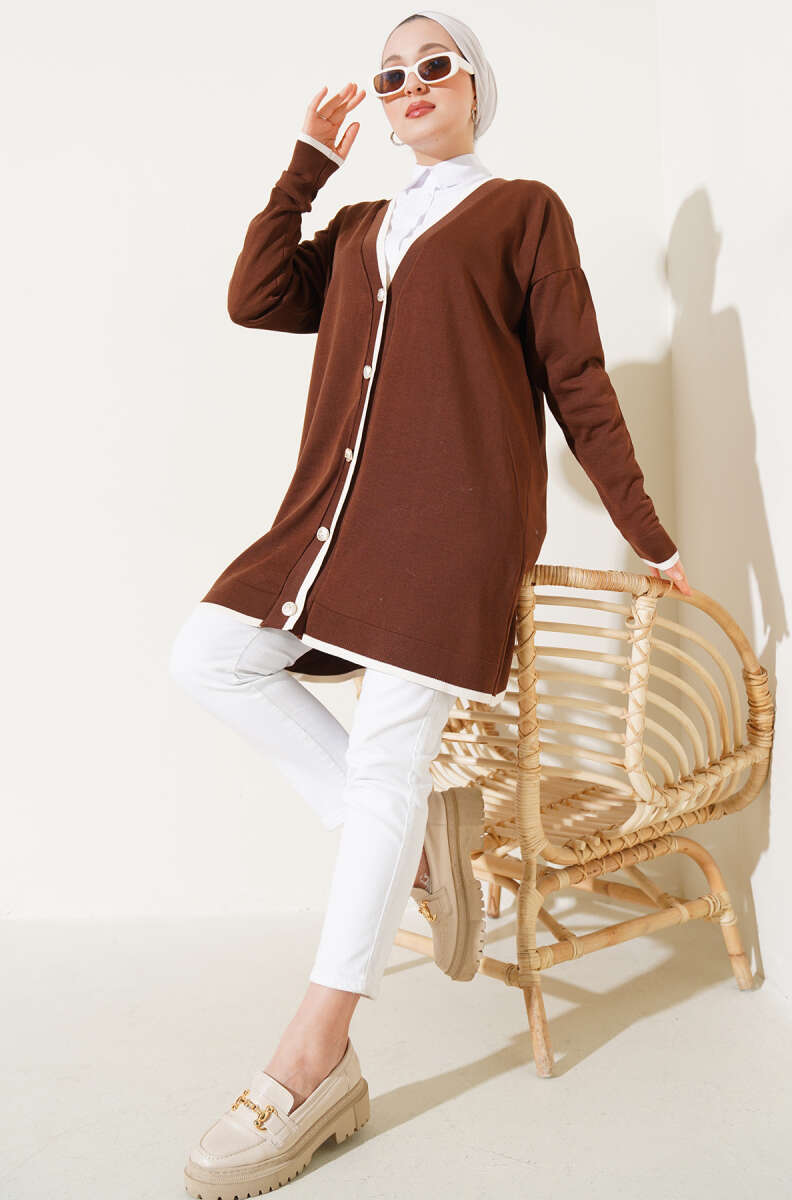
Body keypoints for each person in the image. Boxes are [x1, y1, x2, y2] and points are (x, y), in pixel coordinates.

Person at [173, 11, 692, 1197]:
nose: (409, 83)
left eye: (433, 66)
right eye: (390, 74)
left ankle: (312, 1058)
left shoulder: (522, 212)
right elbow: (256, 296)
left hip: (452, 529)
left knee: (384, 765)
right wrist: (308, 166)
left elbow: (577, 381)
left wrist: (645, 530)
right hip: (332, 523)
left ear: (472, 87)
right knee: (208, 657)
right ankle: (411, 846)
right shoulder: (360, 225)